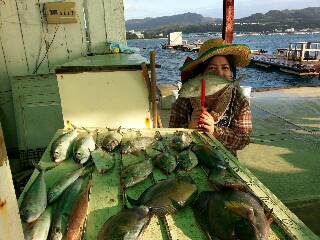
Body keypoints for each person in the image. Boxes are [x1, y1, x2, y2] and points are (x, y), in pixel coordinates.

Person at [169, 39, 252, 155]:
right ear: (201, 73)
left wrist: (215, 132)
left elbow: (243, 140)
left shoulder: (239, 101)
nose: (219, 73)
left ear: (231, 73)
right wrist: (189, 127)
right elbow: (171, 136)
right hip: (189, 156)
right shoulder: (185, 100)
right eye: (212, 68)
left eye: (225, 68)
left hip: (225, 161)